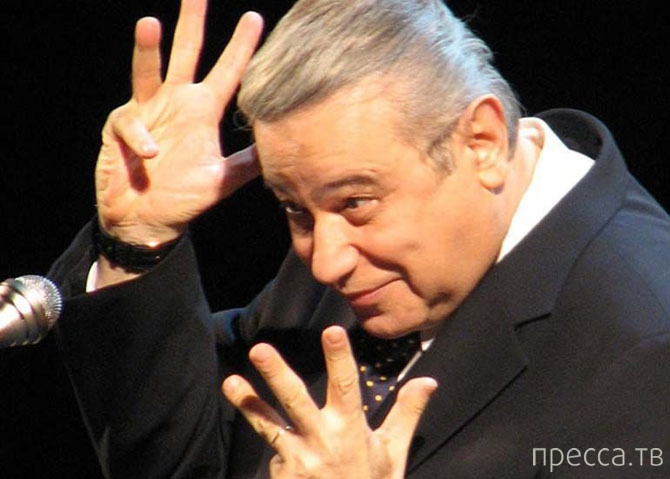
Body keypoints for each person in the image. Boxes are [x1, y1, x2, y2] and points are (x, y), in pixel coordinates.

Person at [48, 0, 670, 477]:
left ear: (480, 143)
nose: (324, 262)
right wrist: (139, 242)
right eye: (294, 209)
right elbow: (182, 461)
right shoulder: (352, 243)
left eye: (357, 203)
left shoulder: (647, 348)